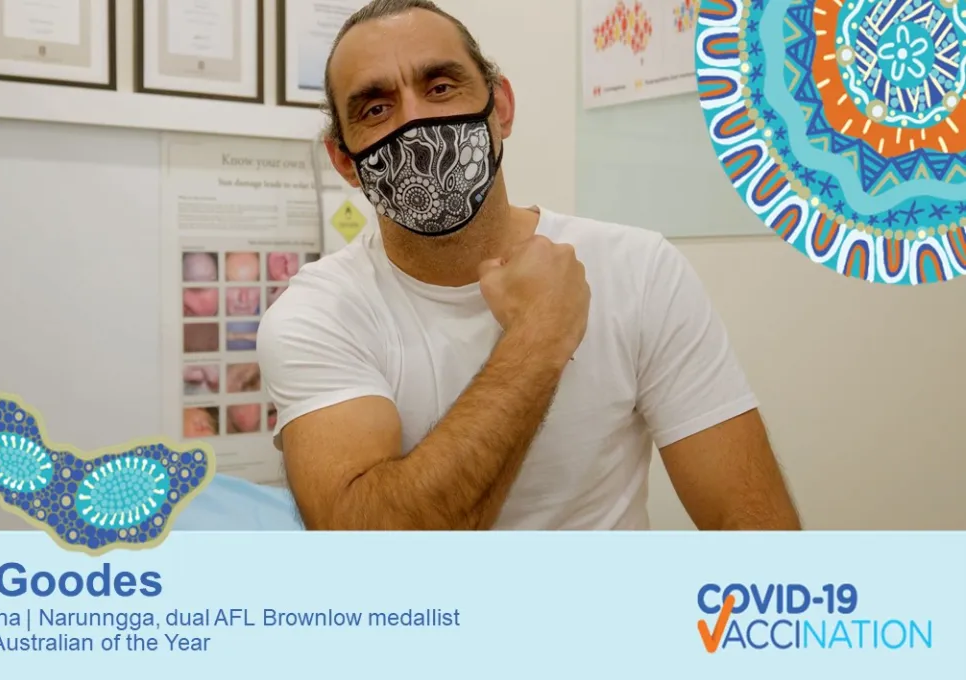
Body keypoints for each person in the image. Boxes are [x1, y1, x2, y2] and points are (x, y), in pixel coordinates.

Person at [256, 0, 802, 531]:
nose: (417, 122)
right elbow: (371, 557)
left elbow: (752, 525)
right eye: (376, 109)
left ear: (502, 108)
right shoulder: (317, 315)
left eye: (441, 88)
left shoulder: (640, 270)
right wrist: (539, 337)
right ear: (345, 161)